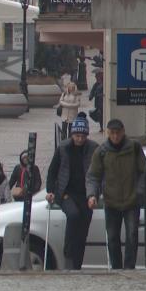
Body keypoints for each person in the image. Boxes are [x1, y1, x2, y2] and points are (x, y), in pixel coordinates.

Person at [86, 119, 146, 269]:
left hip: (131, 201)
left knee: (132, 236)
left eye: (118, 133)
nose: (115, 136)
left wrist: (139, 191)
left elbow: (143, 172)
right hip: (111, 201)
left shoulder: (134, 148)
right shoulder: (101, 151)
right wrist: (92, 195)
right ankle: (116, 268)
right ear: (108, 133)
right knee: (113, 238)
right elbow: (93, 176)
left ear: (123, 131)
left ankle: (129, 268)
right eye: (112, 133)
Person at [46, 113, 99, 269]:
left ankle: (77, 264)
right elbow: (52, 171)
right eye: (77, 135)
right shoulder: (63, 147)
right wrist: (51, 191)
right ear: (72, 134)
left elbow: (98, 173)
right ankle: (68, 255)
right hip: (66, 192)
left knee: (83, 229)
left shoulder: (93, 148)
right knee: (73, 215)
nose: (80, 139)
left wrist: (95, 194)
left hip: (86, 194)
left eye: (82, 135)